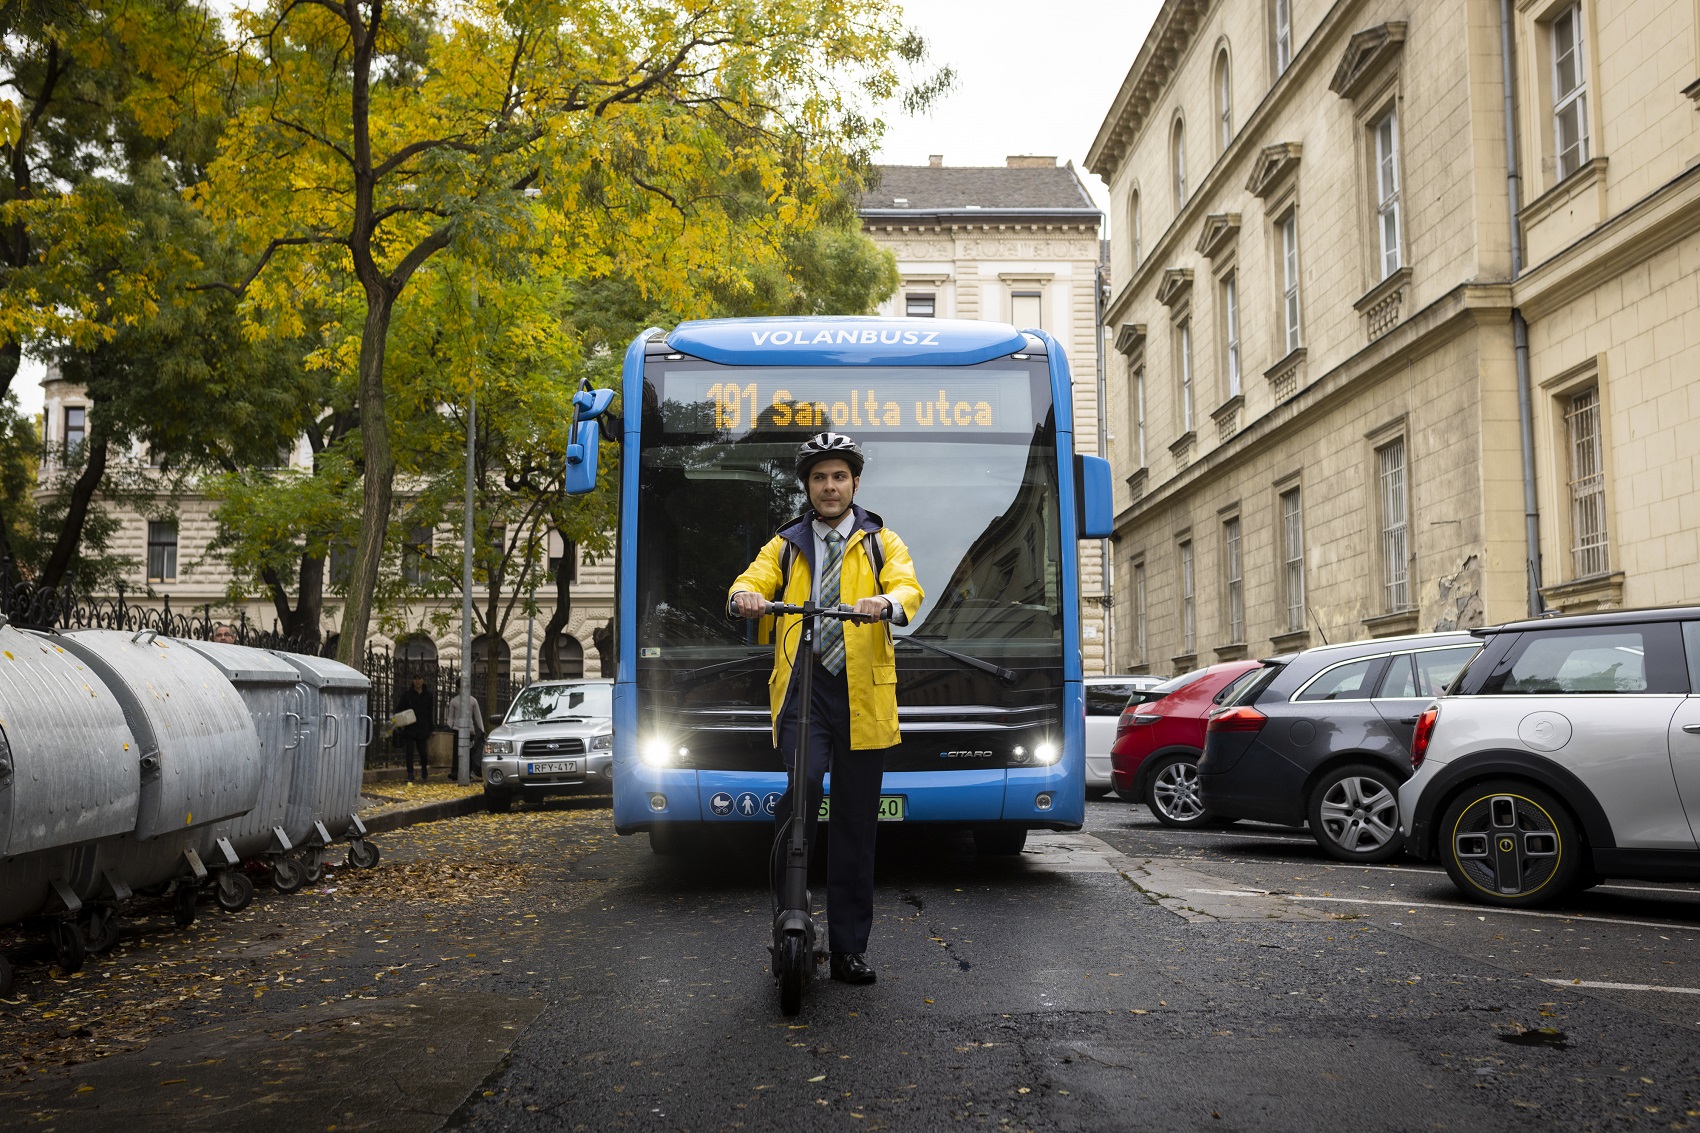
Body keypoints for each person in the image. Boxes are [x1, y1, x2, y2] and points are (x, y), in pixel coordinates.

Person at [729, 432, 924, 986]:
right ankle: (790, 914)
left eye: (839, 477)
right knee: (802, 794)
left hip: (862, 695)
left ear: (854, 483)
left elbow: (908, 589)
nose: (830, 486)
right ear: (808, 487)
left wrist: (884, 602)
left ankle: (848, 950)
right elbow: (752, 580)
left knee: (857, 827)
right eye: (819, 478)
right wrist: (744, 596)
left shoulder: (883, 542)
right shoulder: (786, 544)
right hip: (804, 688)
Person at [395, 675, 435, 782]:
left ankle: (424, 769)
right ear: (412, 681)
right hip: (410, 728)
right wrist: (402, 720)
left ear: (423, 680)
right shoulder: (407, 695)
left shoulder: (428, 696)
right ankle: (410, 773)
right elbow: (398, 709)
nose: (417, 681)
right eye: (415, 679)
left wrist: (431, 728)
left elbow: (430, 712)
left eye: (419, 678)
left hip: (423, 728)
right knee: (409, 752)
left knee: (423, 752)